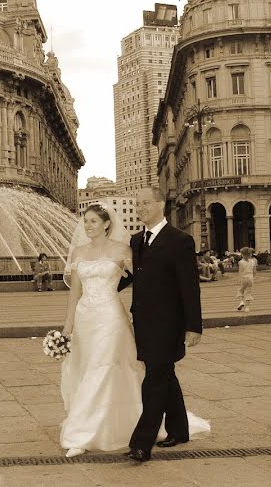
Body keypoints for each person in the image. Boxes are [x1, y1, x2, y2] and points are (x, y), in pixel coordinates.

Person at [118, 187, 207, 462]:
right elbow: (134, 277)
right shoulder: (136, 241)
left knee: (154, 380)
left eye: (145, 203)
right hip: (143, 322)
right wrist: (100, 280)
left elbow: (189, 287)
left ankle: (141, 443)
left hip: (169, 323)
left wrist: (194, 326)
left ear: (160, 205)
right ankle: (179, 430)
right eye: (137, 204)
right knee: (164, 374)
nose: (139, 208)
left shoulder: (179, 241)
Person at [236, 247, 257, 312]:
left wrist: (239, 279)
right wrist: (252, 277)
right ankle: (247, 307)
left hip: (244, 278)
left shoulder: (241, 262)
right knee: (248, 291)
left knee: (240, 290)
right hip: (250, 278)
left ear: (242, 254)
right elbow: (254, 271)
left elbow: (240, 272)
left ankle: (242, 302)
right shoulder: (253, 261)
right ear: (250, 254)